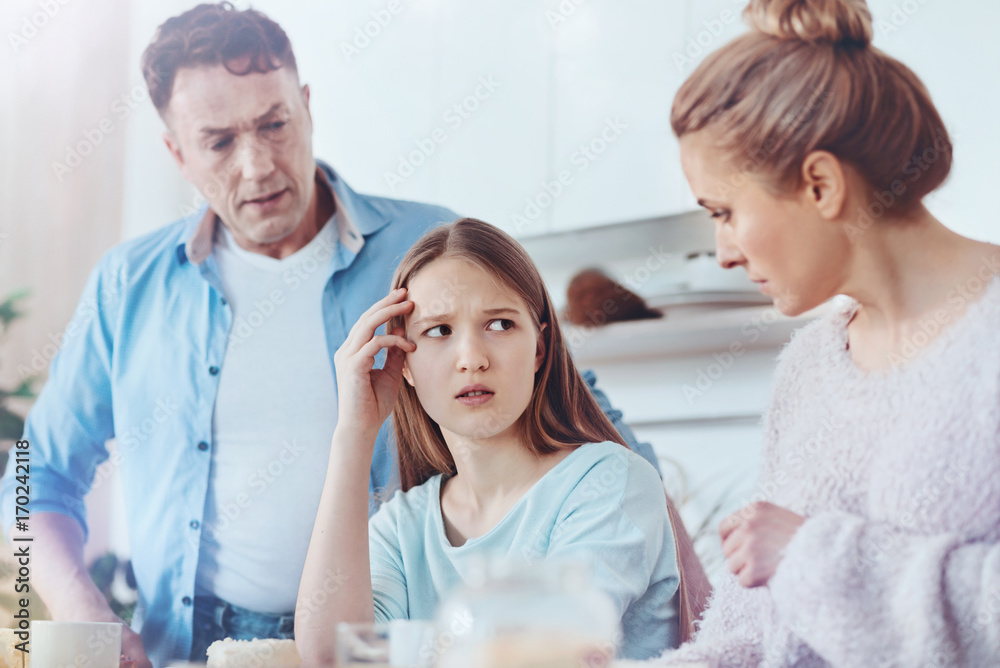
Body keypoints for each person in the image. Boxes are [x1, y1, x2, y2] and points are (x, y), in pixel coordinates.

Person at [0, 5, 659, 668]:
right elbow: (35, 474)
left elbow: (581, 411)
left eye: (274, 124)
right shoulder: (128, 284)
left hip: (383, 639)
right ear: (177, 153)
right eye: (220, 142)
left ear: (306, 107)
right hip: (190, 646)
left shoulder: (425, 249)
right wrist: (83, 614)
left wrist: (698, 605)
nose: (258, 165)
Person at [655, 0, 1000, 666]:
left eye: (724, 212)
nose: (722, 251)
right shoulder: (809, 368)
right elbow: (751, 637)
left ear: (820, 184)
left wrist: (814, 556)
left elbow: (795, 558)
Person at [294, 218, 682, 663]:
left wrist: (396, 652)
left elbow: (542, 654)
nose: (472, 360)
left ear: (539, 348)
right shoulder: (402, 526)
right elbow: (328, 657)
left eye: (499, 325)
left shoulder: (613, 482)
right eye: (439, 331)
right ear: (404, 365)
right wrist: (353, 436)